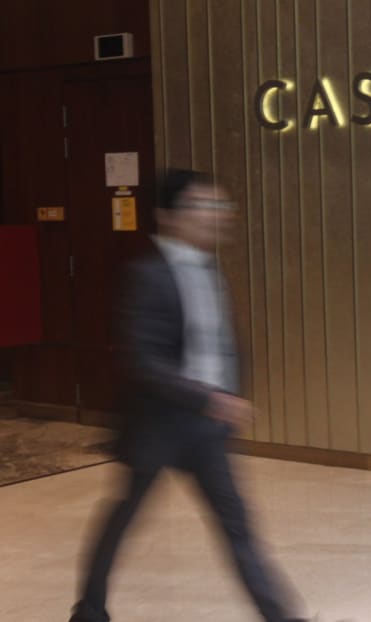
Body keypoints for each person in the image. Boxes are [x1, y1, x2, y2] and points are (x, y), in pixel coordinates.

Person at [69, 169, 311, 622]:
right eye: (204, 205)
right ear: (169, 216)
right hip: (157, 427)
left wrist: (225, 397)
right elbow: (143, 360)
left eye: (220, 206)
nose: (217, 216)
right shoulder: (147, 275)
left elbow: (220, 345)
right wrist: (209, 398)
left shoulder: (210, 269)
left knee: (237, 527)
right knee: (122, 521)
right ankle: (89, 611)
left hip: (204, 430)